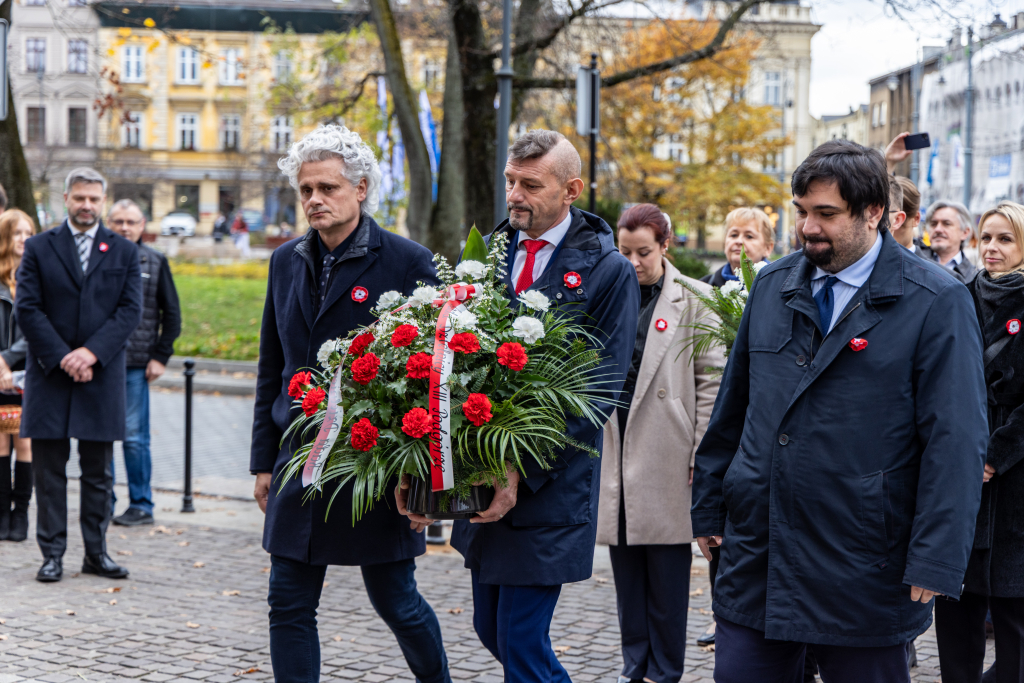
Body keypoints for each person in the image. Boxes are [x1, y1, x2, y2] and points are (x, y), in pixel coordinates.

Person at [691, 139, 989, 683]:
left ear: (874, 212)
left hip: (867, 564)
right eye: (802, 212)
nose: (808, 227)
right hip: (760, 555)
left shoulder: (936, 300)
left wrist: (938, 554)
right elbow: (734, 408)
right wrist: (710, 507)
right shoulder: (772, 286)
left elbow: (957, 438)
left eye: (826, 214)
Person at [397, 129, 639, 682]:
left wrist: (518, 471)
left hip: (547, 485)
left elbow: (598, 391)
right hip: (482, 481)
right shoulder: (486, 256)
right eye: (511, 181)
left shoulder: (607, 271)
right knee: (490, 628)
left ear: (571, 189)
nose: (514, 195)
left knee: (522, 641)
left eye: (531, 184)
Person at [250, 124, 450, 683]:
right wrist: (263, 461)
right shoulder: (286, 260)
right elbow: (274, 367)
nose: (315, 199)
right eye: (306, 189)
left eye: (328, 188)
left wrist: (421, 476)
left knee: (397, 603)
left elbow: (428, 380)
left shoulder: (407, 262)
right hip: (299, 460)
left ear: (360, 189)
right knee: (287, 603)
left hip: (375, 463)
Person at [599, 203, 723, 683]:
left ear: (665, 246)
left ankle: (665, 670)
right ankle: (636, 666)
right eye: (624, 251)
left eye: (643, 253)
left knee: (668, 577)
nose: (632, 263)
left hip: (667, 450)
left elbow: (712, 382)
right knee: (627, 577)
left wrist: (702, 454)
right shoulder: (608, 293)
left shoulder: (694, 297)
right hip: (618, 446)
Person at [16, 167, 142, 583]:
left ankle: (96, 553)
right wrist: (64, 356)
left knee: (99, 473)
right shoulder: (38, 247)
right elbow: (28, 309)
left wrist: (90, 354)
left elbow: (129, 311)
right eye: (79, 198)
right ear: (66, 199)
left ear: (102, 201)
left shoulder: (123, 251)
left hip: (100, 376)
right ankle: (51, 554)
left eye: (93, 199)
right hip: (49, 374)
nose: (86, 206)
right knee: (49, 472)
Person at [935, 201, 1024, 683]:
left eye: (1005, 239)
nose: (992, 248)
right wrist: (964, 453)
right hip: (959, 474)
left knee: (1013, 616)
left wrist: (995, 454)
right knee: (955, 609)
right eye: (987, 238)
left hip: (1014, 483)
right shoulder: (957, 295)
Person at [106, 199, 181, 526]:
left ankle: (141, 504)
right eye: (118, 221)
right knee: (99, 437)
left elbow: (172, 315)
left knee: (135, 438)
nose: (124, 227)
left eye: (131, 221)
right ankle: (101, 502)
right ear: (109, 224)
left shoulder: (155, 261)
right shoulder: (96, 259)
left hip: (136, 366)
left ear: (142, 226)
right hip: (99, 365)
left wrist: (160, 356)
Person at [0, 209, 35, 542]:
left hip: (27, 374)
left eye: (29, 232)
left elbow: (39, 328)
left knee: (23, 442)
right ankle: (1, 512)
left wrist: (8, 360)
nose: (24, 239)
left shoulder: (38, 277)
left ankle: (21, 514)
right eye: (16, 232)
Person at [701, 208, 775, 287]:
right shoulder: (703, 287)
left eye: (749, 236)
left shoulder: (780, 286)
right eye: (734, 235)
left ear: (767, 248)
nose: (739, 241)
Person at [920, 200, 979, 283]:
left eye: (946, 224)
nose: (938, 229)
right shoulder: (914, 261)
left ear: (965, 232)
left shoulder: (974, 278)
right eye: (933, 224)